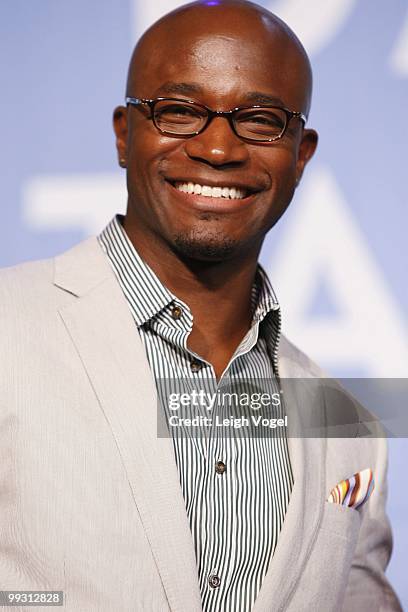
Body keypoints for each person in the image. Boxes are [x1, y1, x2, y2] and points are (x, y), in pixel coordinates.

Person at [0, 1, 402, 610]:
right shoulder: (10, 329)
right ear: (123, 133)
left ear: (301, 154)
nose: (218, 149)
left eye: (261, 120)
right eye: (180, 112)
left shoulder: (351, 429)